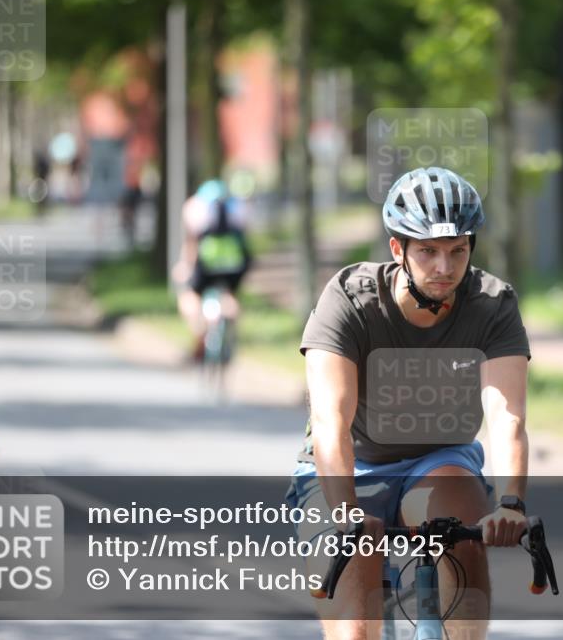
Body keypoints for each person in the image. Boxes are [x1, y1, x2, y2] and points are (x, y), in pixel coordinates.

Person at [285, 166, 531, 639]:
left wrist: (511, 503)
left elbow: (507, 417)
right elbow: (331, 423)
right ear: (398, 249)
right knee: (357, 620)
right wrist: (345, 513)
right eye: (428, 252)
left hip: (438, 459)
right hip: (351, 466)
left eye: (458, 251)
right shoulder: (349, 301)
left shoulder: (492, 304)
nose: (445, 267)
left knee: (461, 536)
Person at [172, 179, 252, 360]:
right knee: (230, 296)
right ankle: (231, 336)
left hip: (206, 264)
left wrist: (184, 266)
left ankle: (202, 333)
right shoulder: (237, 207)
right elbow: (245, 239)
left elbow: (191, 243)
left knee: (189, 297)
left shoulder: (194, 208)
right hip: (234, 263)